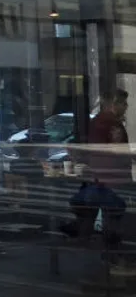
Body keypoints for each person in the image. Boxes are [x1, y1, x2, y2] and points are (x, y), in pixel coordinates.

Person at [71, 89, 133, 271]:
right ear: (114, 104)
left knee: (109, 217)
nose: (126, 107)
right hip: (115, 178)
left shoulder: (96, 122)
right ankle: (112, 257)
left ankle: (109, 256)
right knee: (114, 219)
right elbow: (118, 152)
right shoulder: (113, 125)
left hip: (101, 177)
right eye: (123, 103)